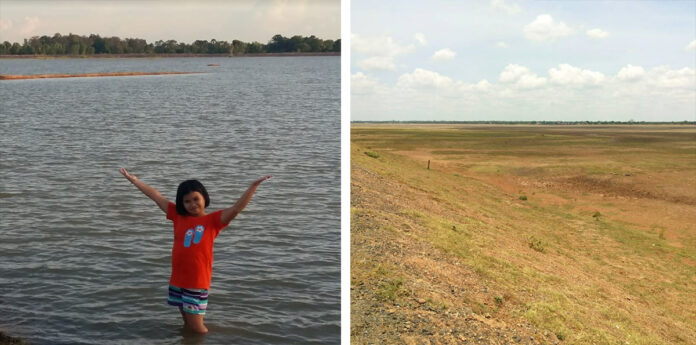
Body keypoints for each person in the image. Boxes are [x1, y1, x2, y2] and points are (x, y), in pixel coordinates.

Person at [119, 168, 271, 334]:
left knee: (197, 328)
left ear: (204, 198)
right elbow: (156, 196)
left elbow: (236, 209)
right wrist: (134, 180)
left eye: (196, 199)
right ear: (181, 204)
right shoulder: (178, 216)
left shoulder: (213, 221)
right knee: (187, 324)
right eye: (187, 201)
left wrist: (253, 186)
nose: (192, 204)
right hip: (178, 278)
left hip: (196, 281)